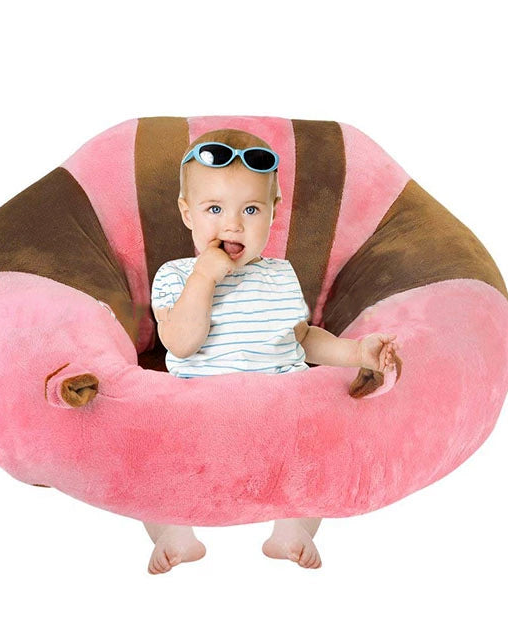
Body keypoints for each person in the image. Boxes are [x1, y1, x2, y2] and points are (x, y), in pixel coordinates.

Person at [145, 129, 399, 574]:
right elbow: (181, 342)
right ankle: (173, 532)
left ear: (273, 212)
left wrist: (357, 353)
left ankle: (291, 530)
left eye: (251, 209)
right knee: (153, 461)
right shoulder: (177, 275)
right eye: (214, 209)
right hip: (200, 413)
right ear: (187, 213)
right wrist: (204, 278)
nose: (233, 224)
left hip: (279, 412)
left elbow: (302, 337)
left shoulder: (280, 274)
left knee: (318, 453)